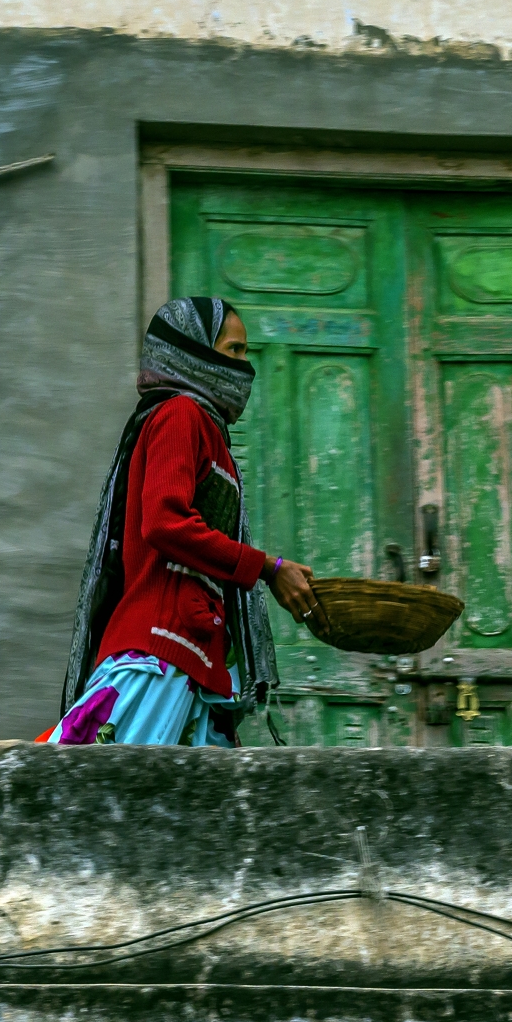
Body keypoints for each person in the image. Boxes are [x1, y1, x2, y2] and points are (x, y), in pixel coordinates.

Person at [43, 297, 323, 747]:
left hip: (196, 663)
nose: (244, 366)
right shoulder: (181, 416)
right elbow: (165, 523)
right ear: (194, 351)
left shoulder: (210, 432)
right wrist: (266, 568)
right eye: (233, 351)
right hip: (160, 654)